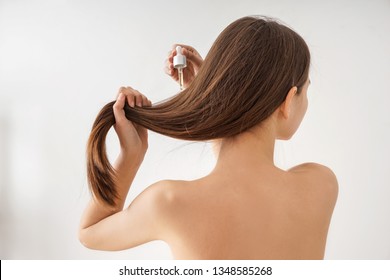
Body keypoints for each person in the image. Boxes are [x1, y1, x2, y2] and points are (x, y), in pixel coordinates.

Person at [79, 16, 338, 259]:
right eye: (306, 92)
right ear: (289, 101)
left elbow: (90, 232)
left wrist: (131, 156)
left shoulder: (168, 203)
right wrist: (215, 101)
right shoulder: (320, 186)